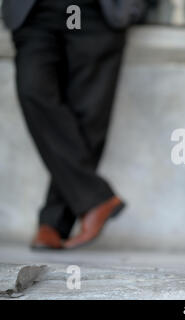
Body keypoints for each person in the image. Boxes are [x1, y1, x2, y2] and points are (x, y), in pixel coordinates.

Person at [2, 0, 144, 250]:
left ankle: (54, 223)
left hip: (97, 10)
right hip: (36, 10)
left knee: (88, 115)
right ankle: (96, 199)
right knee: (32, 90)